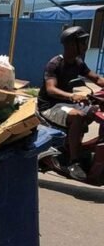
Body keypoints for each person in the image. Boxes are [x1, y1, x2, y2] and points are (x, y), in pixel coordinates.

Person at [39, 26, 104, 181]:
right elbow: (51, 89)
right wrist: (72, 96)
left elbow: (96, 79)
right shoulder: (55, 64)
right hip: (50, 106)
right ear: (70, 44)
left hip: (66, 104)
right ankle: (74, 162)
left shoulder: (78, 63)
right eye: (82, 43)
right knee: (78, 116)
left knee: (94, 110)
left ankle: (79, 148)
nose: (85, 46)